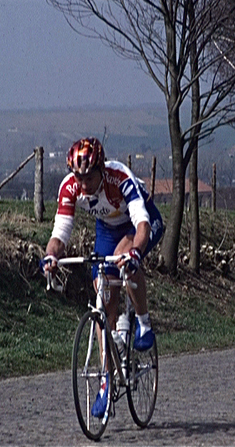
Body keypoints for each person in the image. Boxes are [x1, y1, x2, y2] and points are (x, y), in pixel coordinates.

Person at [42, 137, 163, 416]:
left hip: (140, 222)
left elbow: (142, 225)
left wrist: (135, 252)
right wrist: (50, 256)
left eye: (89, 177)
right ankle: (105, 382)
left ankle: (143, 322)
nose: (83, 185)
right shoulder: (70, 188)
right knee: (101, 290)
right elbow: (59, 235)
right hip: (107, 229)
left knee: (126, 257)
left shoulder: (119, 177)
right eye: (78, 177)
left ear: (101, 168)